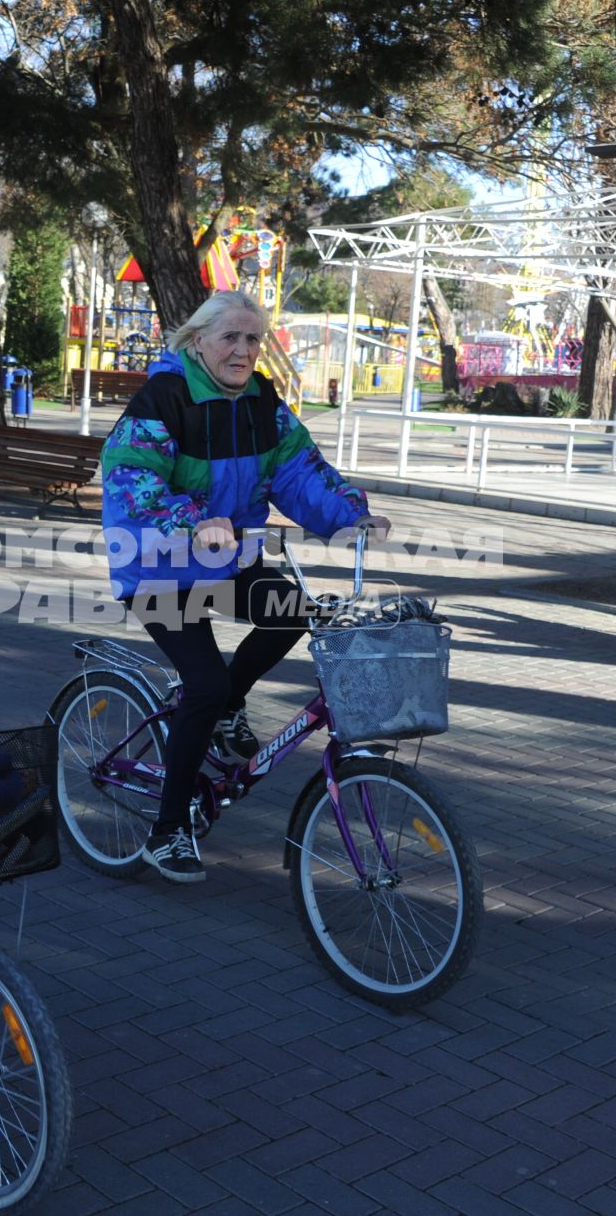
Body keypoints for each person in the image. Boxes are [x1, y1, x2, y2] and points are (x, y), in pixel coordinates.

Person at [100, 289, 389, 883]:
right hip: (157, 565)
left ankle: (228, 704)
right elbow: (130, 480)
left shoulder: (262, 402)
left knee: (293, 613)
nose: (243, 349)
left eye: (253, 338)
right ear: (198, 340)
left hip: (226, 559)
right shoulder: (164, 396)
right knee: (202, 685)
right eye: (230, 336)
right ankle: (168, 829)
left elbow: (301, 473)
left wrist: (349, 513)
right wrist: (190, 521)